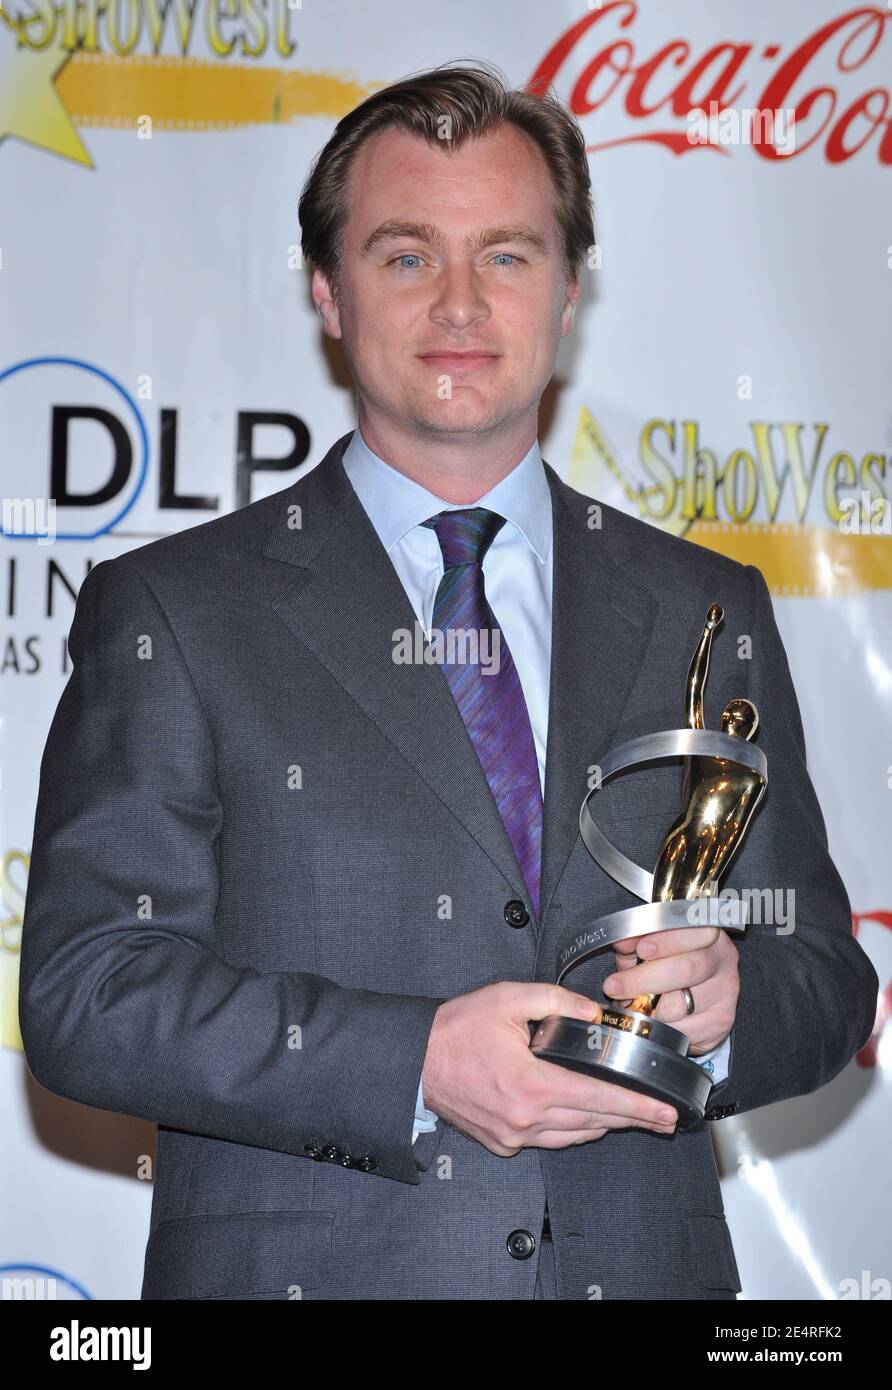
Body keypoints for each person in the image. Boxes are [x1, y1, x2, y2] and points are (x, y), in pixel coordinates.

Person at [19, 61, 878, 1301]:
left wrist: (731, 1004)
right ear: (327, 290)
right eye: (406, 255)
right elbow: (88, 992)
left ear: (571, 290)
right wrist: (410, 1060)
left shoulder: (708, 603)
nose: (462, 303)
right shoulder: (174, 611)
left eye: (510, 255)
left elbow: (825, 976)